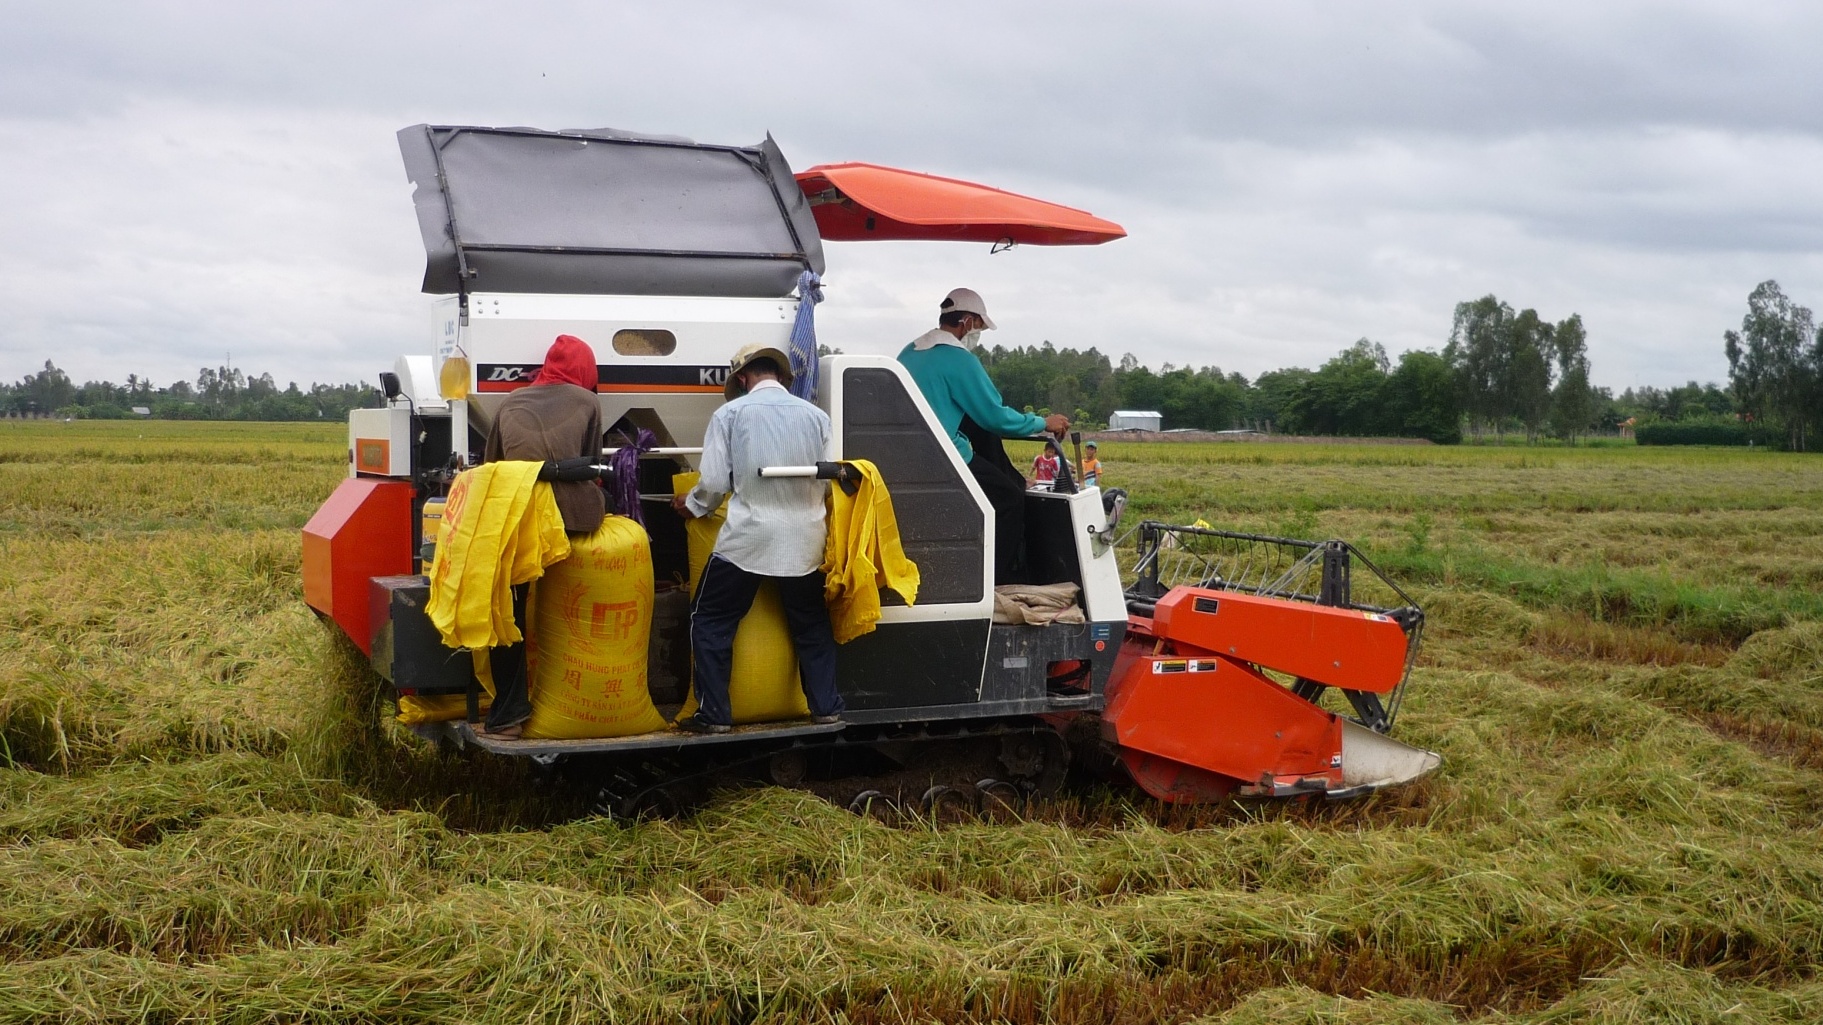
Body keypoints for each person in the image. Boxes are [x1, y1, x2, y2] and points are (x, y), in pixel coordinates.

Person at [670, 343, 843, 734]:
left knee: (710, 620)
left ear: (743, 378)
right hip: (806, 541)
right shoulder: (818, 417)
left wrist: (693, 505)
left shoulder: (730, 414)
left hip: (748, 538)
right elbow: (832, 479)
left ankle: (714, 715)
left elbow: (713, 482)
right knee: (812, 626)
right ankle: (826, 709)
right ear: (781, 376)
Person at [477, 333, 605, 740]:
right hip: (572, 521)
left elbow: (491, 466)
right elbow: (594, 465)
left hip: (518, 518)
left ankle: (509, 714)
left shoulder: (510, 402)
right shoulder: (588, 402)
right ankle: (588, 701)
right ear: (586, 370)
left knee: (509, 613)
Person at [897, 288, 1068, 581]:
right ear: (966, 321)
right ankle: (994, 580)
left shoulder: (910, 352)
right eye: (979, 326)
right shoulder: (958, 358)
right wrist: (1043, 422)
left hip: (909, 449)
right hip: (943, 455)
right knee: (1009, 500)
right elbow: (994, 415)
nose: (978, 333)